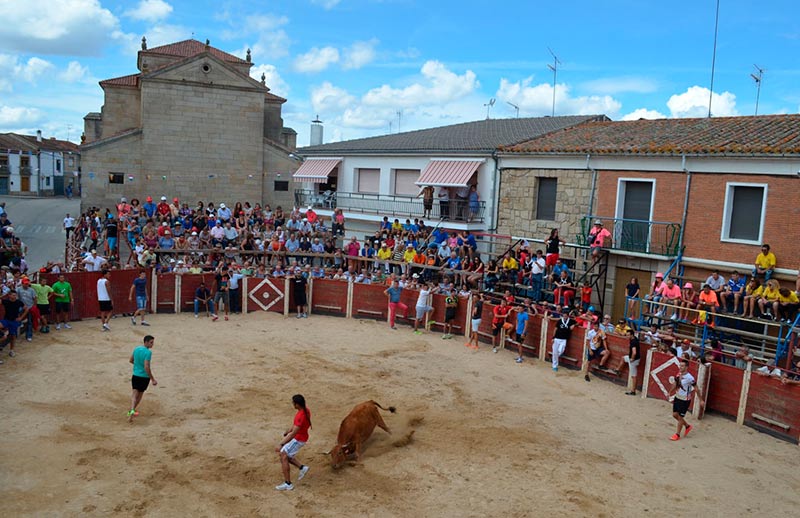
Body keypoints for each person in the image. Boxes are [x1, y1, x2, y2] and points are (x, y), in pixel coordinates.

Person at [275, 394, 312, 491]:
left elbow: (293, 434)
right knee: (286, 456)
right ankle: (302, 467)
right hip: (301, 437)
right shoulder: (306, 410)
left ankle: (288, 484)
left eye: (293, 403)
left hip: (298, 439)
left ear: (297, 404)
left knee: (283, 455)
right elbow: (295, 427)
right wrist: (289, 431)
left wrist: (281, 444)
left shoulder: (301, 416)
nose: (292, 404)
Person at [669, 358, 704, 441]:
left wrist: (701, 400)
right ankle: (687, 426)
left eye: (682, 366)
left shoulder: (690, 378)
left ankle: (677, 434)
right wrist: (670, 391)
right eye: (680, 365)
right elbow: (675, 384)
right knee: (675, 415)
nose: (680, 367)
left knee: (680, 417)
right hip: (678, 397)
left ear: (686, 367)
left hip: (685, 400)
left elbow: (696, 389)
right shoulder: (678, 374)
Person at [127, 334, 158, 422]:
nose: (152, 344)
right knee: (139, 395)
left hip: (135, 375)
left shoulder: (136, 349)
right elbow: (146, 367)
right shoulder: (148, 352)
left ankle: (132, 410)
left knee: (134, 394)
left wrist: (137, 366)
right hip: (144, 377)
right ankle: (131, 411)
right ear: (146, 342)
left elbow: (131, 360)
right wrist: (152, 379)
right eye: (151, 343)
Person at [1, 291, 28, 357]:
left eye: (15, 295)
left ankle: (11, 350)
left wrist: (21, 317)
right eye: (13, 295)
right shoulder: (5, 301)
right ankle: (3, 334)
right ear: (9, 295)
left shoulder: (18, 302)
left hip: (14, 321)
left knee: (13, 336)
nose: (14, 297)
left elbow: (26, 309)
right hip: (6, 320)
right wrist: (3, 296)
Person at [614, 328, 640, 395]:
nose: (627, 336)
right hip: (632, 358)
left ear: (631, 335)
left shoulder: (633, 342)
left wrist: (632, 359)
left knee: (634, 376)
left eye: (628, 335)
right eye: (627, 335)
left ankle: (633, 391)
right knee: (623, 358)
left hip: (633, 360)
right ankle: (618, 370)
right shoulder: (634, 339)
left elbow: (634, 352)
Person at [513, 299, 531, 363]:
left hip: (522, 332)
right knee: (518, 344)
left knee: (519, 344)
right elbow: (517, 320)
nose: (519, 309)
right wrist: (516, 327)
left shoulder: (525, 315)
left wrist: (523, 332)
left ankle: (520, 358)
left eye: (521, 309)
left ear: (523, 309)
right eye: (519, 308)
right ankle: (519, 356)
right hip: (518, 331)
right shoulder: (518, 314)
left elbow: (526, 324)